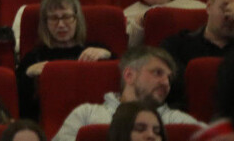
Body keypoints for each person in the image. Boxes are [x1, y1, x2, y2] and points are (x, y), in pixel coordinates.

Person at [51, 46, 198, 141]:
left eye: (169, 78)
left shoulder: (178, 120)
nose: (166, 83)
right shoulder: (86, 114)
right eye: (157, 73)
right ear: (129, 75)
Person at [159, 0, 234, 109]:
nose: (230, 16)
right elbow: (176, 85)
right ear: (209, 6)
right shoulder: (176, 45)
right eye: (225, 8)